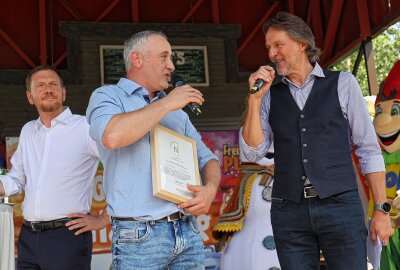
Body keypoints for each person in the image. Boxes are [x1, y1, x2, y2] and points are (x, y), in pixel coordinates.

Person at [240, 12, 391, 270]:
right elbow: (253, 152)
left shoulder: (343, 84)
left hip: (340, 206)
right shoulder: (268, 96)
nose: (272, 53)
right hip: (289, 211)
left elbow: (368, 149)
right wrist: (253, 101)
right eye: (268, 47)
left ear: (302, 44)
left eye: (278, 45)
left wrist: (381, 210)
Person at [86, 30, 221, 270]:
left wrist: (210, 189)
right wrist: (166, 103)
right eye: (164, 57)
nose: (171, 65)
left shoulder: (178, 112)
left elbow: (207, 158)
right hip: (139, 234)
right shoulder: (107, 96)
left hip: (187, 229)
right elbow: (112, 136)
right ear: (137, 60)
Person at [0, 65, 109, 270]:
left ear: (64, 92)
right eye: (40, 85)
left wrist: (104, 218)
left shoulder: (85, 127)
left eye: (53, 84)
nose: (48, 89)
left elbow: (120, 165)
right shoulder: (28, 131)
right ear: (30, 96)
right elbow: (15, 179)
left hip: (66, 236)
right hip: (28, 238)